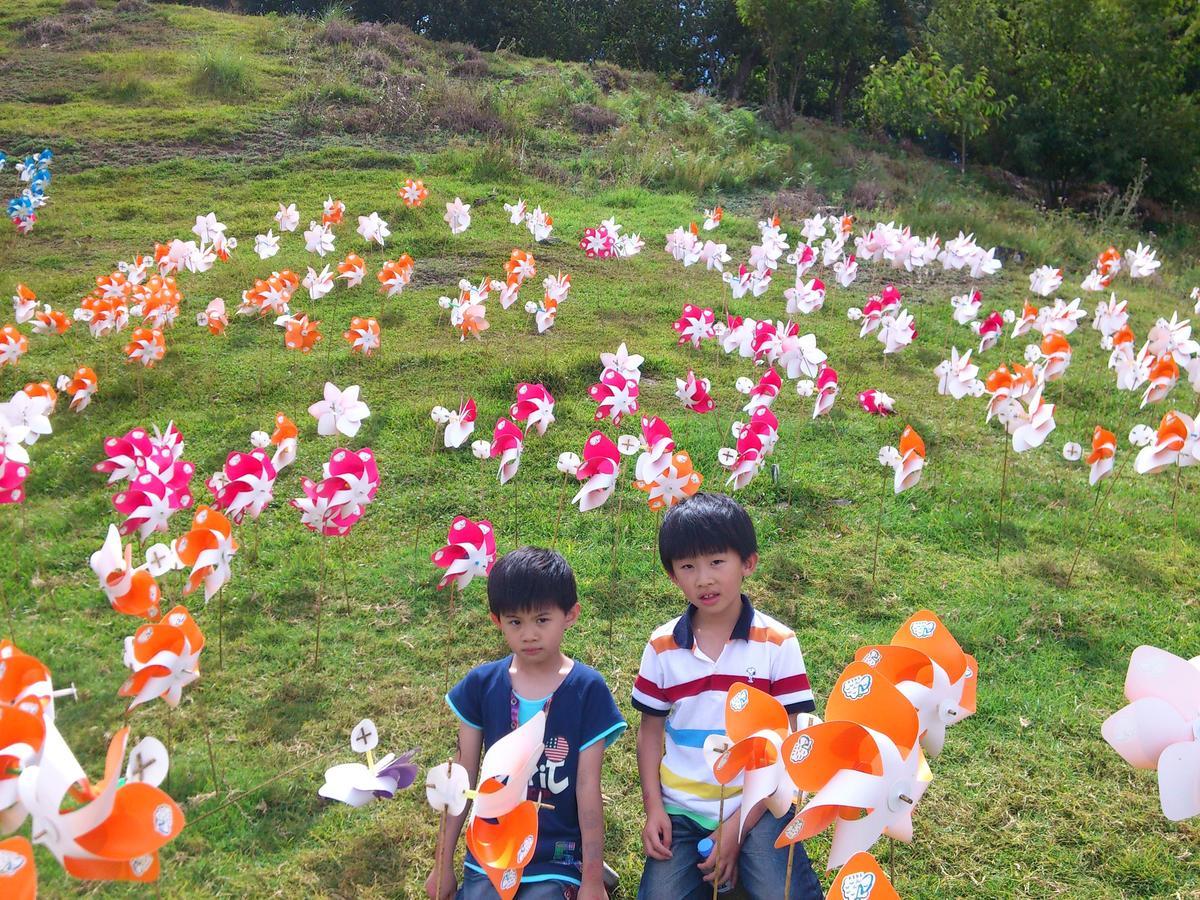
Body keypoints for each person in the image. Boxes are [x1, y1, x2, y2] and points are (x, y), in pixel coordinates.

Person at [631, 492, 824, 899]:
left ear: (747, 563)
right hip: (681, 810)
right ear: (672, 575)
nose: (704, 579)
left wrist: (736, 827)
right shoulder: (662, 646)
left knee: (781, 891)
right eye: (688, 567)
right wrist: (654, 809)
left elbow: (790, 745)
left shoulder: (778, 644)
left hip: (758, 805)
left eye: (717, 562)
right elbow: (650, 732)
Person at [427, 546, 626, 900]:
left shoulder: (587, 689)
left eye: (542, 620)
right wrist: (442, 865)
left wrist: (592, 880)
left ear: (571, 615)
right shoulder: (480, 685)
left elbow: (587, 788)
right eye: (515, 622)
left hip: (555, 856)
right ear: (496, 621)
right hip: (490, 850)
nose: (529, 634)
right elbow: (463, 777)